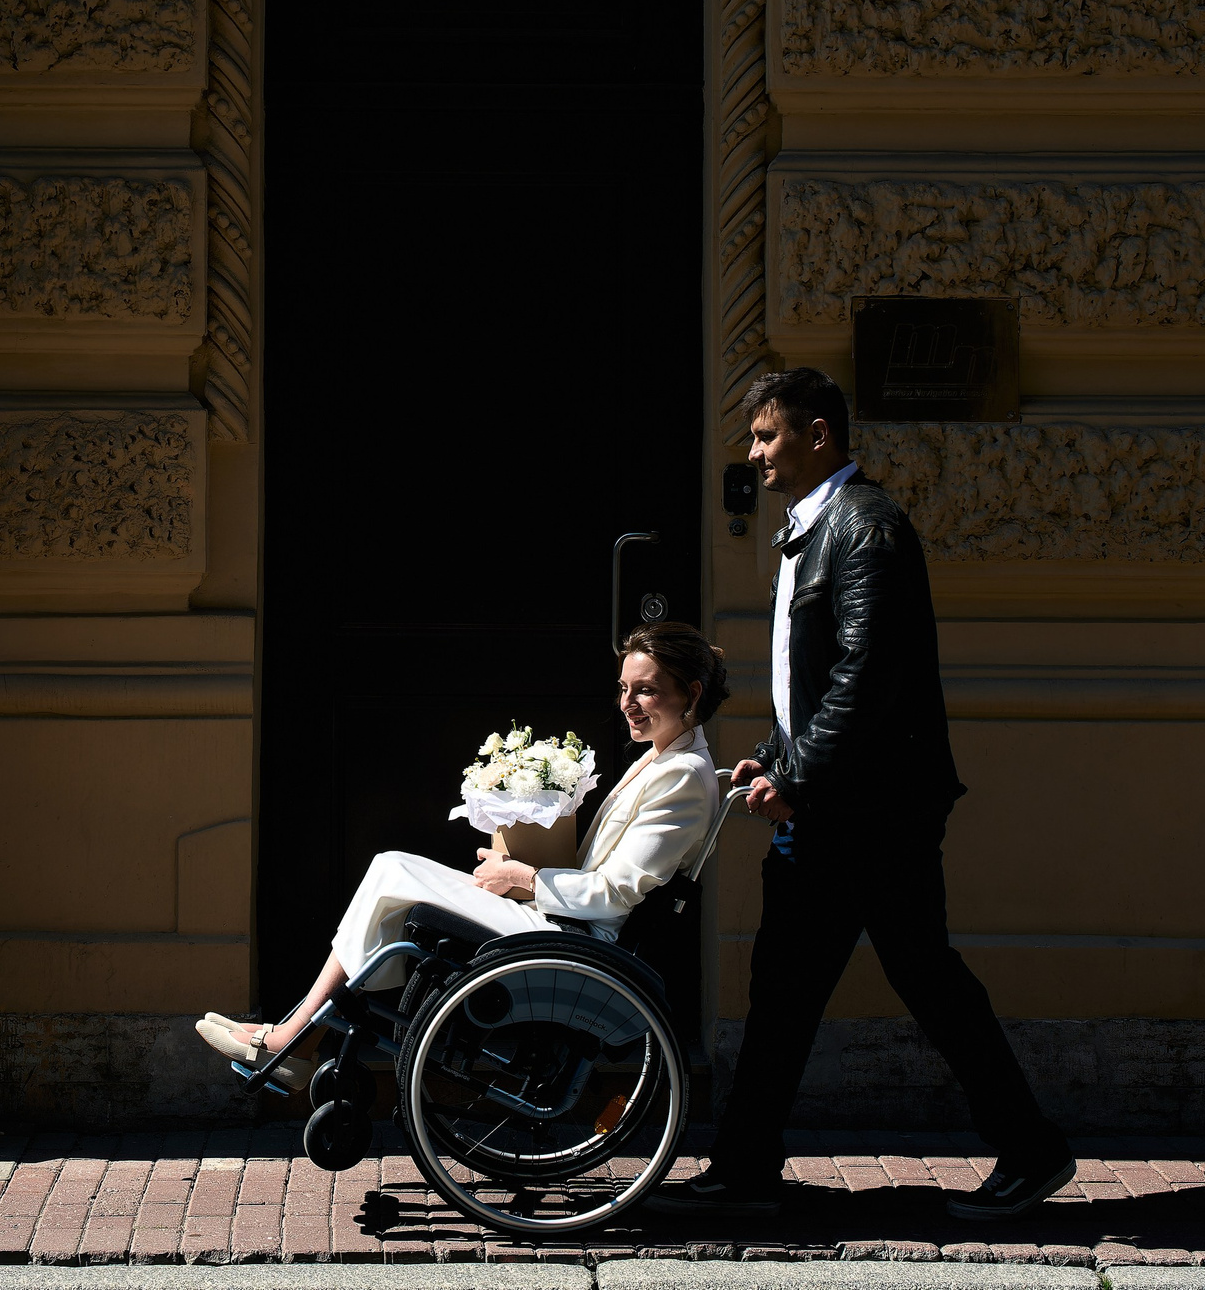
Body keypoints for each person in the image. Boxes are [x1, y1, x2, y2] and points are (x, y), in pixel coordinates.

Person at [650, 366, 1074, 1222]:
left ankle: (1027, 1151)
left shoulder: (866, 526)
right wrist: (771, 753)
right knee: (802, 984)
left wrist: (795, 773)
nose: (755, 452)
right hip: (842, 805)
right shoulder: (813, 529)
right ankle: (747, 1166)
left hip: (868, 813)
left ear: (819, 436)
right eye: (754, 437)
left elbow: (866, 676)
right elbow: (811, 684)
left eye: (769, 435)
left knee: (903, 979)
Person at [196, 621, 727, 1082]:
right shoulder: (664, 760)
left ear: (693, 694)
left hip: (580, 940)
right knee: (391, 868)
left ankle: (295, 1037)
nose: (628, 704)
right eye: (624, 688)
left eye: (647, 691)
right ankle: (299, 1034)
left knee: (392, 871)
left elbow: (617, 893)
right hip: (564, 921)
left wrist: (524, 876)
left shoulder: (681, 775)